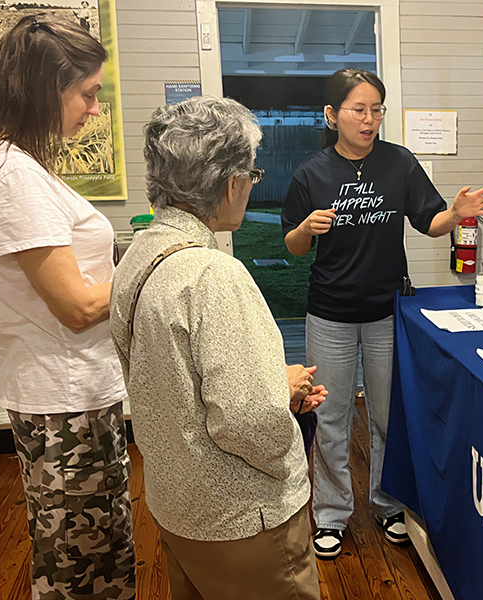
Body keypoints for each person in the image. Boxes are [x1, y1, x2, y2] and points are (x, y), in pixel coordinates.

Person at [110, 95, 325, 600]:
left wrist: (275, 390)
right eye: (252, 174)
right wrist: (281, 398)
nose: (252, 184)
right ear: (230, 182)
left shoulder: (138, 252)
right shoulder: (213, 275)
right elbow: (249, 420)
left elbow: (169, 379)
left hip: (177, 503)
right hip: (243, 521)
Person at [281, 68, 483, 560]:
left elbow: (430, 223)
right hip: (330, 312)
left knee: (386, 414)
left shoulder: (399, 163)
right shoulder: (310, 173)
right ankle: (332, 515)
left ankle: (388, 503)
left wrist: (458, 211)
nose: (370, 119)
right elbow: (292, 246)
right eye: (359, 109)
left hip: (387, 312)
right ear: (332, 115)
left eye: (377, 109)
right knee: (332, 415)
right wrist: (307, 230)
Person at [0, 15, 135, 599]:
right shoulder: (8, 173)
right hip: (62, 400)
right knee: (83, 567)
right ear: (44, 89)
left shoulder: (1, 158)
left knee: (95, 548)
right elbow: (78, 306)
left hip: (69, 389)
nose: (93, 109)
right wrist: (153, 262)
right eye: (87, 94)